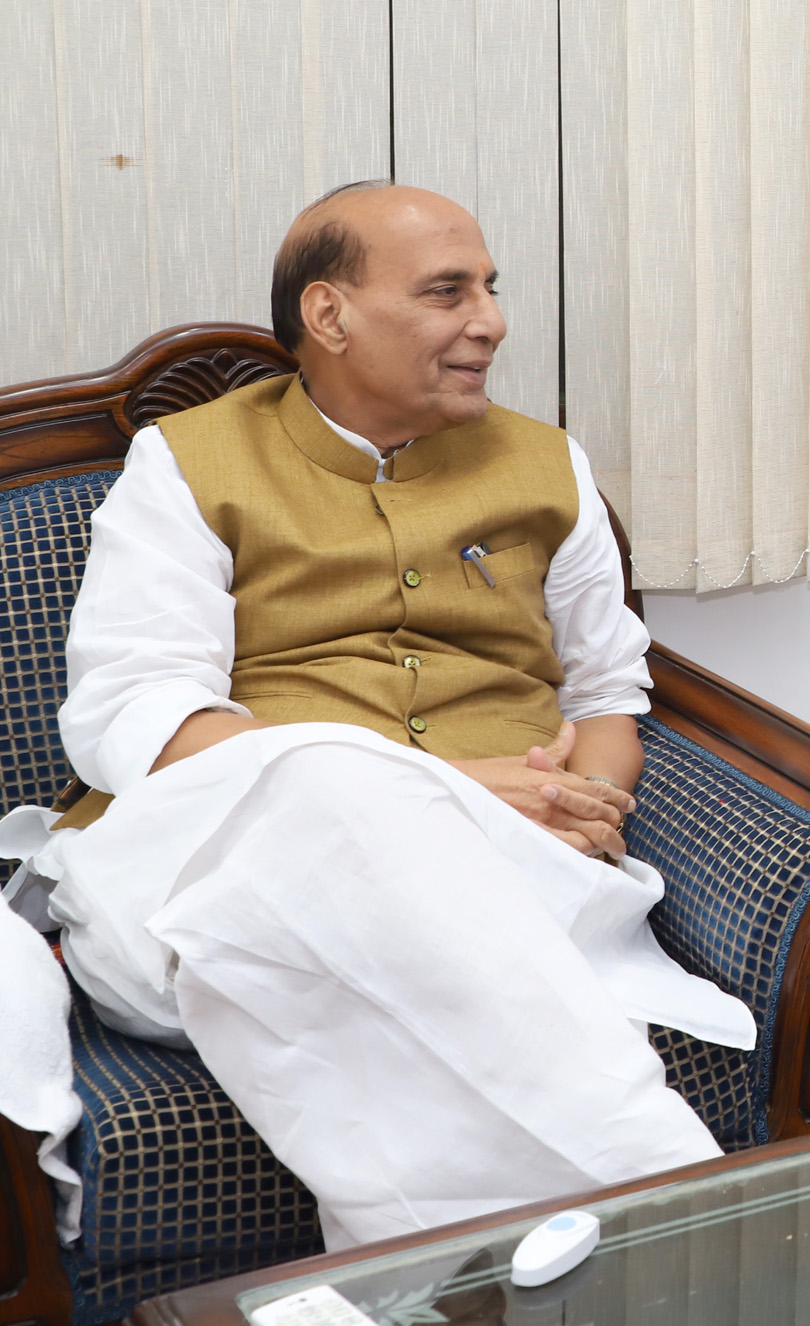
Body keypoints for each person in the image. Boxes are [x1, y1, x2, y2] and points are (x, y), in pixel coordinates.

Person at [0, 182, 747, 1249]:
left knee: (369, 965)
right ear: (329, 315)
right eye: (448, 291)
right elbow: (139, 716)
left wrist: (587, 808)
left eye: (490, 289)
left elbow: (607, 697)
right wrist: (448, 791)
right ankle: (682, 1206)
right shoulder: (190, 464)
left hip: (510, 872)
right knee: (328, 788)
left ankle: (404, 1282)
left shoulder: (548, 466)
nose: (489, 320)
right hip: (204, 882)